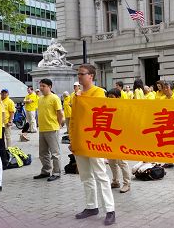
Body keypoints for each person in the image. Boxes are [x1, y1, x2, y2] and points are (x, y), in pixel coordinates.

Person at [71, 64, 116, 226]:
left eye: (82, 74)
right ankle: (92, 206)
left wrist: (80, 98)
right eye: (78, 74)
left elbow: (99, 114)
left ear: (91, 76)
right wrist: (72, 139)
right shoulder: (76, 95)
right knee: (85, 176)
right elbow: (74, 120)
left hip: (95, 140)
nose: (79, 77)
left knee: (101, 175)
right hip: (80, 140)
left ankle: (110, 210)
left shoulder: (98, 93)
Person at [34, 79, 64, 182]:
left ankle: (57, 172)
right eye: (40, 86)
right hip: (42, 129)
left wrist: (59, 124)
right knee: (43, 153)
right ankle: (46, 171)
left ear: (50, 87)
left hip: (52, 128)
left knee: (55, 153)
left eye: (44, 86)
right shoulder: (40, 99)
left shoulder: (55, 98)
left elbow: (60, 113)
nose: (41, 88)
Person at [106, 88, 132, 193]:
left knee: (122, 162)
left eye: (112, 97)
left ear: (118, 97)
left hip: (120, 138)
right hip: (110, 138)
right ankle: (115, 181)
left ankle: (127, 183)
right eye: (109, 97)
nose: (110, 99)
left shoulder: (123, 108)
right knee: (112, 162)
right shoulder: (107, 108)